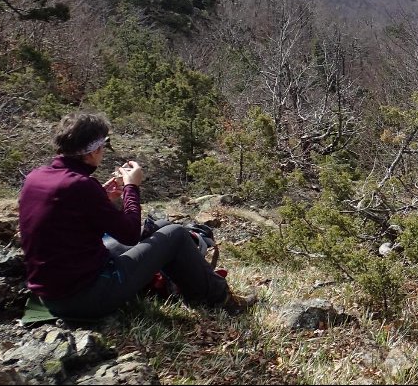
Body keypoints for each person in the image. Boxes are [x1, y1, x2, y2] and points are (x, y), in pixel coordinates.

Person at [18, 111, 256, 319]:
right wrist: (132, 187)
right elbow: (130, 234)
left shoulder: (35, 178)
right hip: (88, 297)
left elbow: (65, 223)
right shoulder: (80, 186)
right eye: (104, 146)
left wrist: (100, 197)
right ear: (91, 152)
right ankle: (223, 300)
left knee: (128, 239)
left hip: (50, 295)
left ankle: (186, 287)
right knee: (174, 234)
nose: (104, 152)